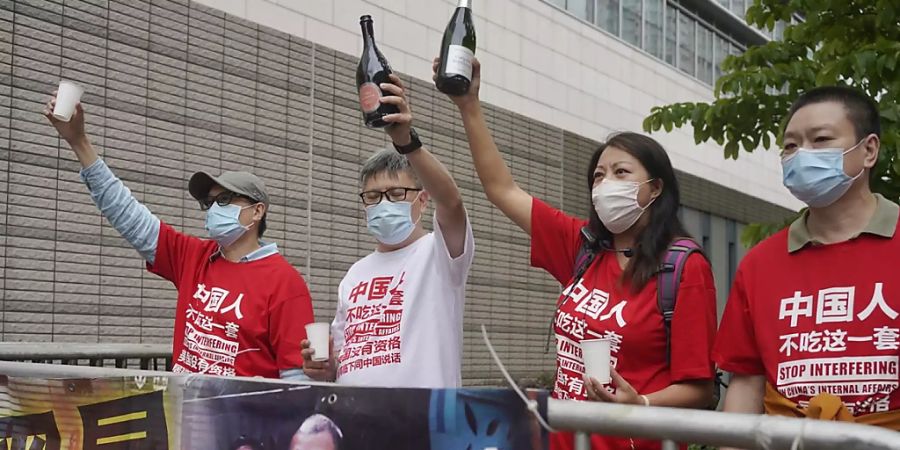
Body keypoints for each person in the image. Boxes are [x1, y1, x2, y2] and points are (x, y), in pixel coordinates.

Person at [443, 58, 718, 450]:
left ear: (655, 189)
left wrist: (640, 403)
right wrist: (469, 106)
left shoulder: (683, 268)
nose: (606, 184)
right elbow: (501, 190)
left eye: (621, 172)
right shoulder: (583, 246)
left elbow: (700, 389)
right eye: (598, 176)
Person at [43, 96, 314, 380]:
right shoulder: (193, 257)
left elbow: (296, 379)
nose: (213, 210)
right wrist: (79, 143)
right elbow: (127, 214)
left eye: (224, 199)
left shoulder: (286, 284)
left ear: (257, 210)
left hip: (244, 423)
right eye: (208, 204)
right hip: (183, 418)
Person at [714, 86, 900, 439]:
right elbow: (746, 384)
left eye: (821, 139)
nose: (801, 155)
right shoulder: (759, 264)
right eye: (790, 146)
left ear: (869, 150)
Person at [300, 74, 474, 388]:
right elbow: (342, 358)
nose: (383, 205)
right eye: (372, 197)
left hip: (423, 424)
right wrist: (324, 368)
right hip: (357, 422)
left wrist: (408, 143)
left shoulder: (440, 252)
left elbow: (452, 202)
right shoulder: (354, 274)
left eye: (395, 195)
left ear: (422, 200)